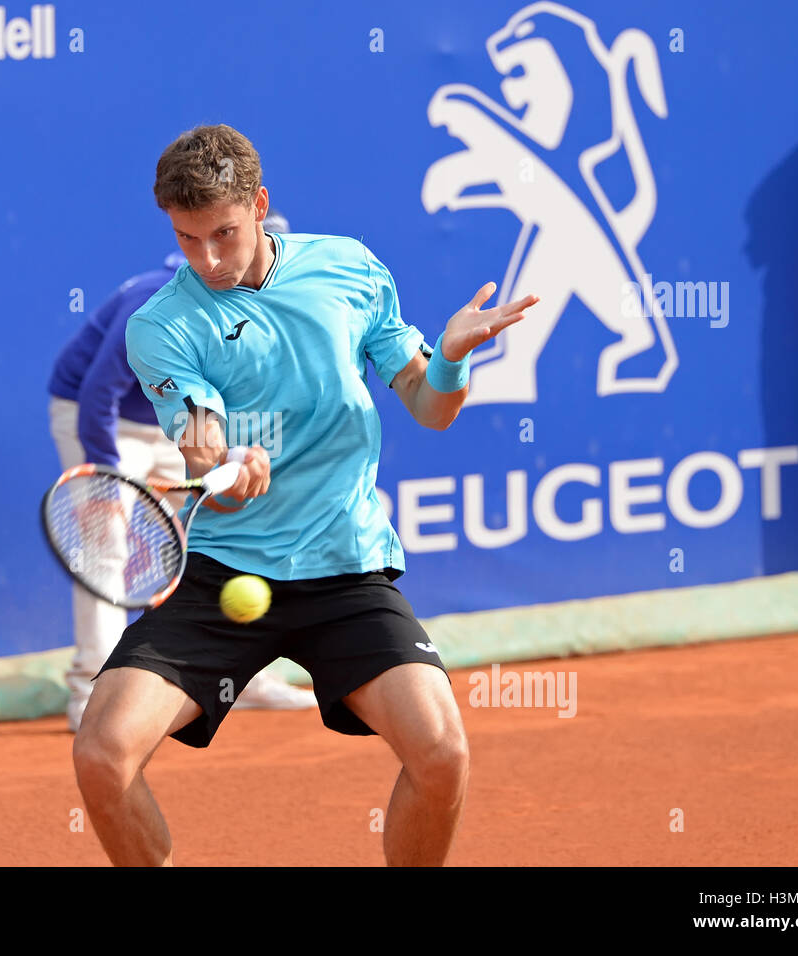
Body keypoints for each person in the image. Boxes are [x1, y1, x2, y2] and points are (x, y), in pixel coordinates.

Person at [72, 124, 538, 866]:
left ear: (260, 204)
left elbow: (430, 406)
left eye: (223, 233)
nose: (209, 259)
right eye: (188, 240)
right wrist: (221, 466)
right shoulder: (162, 324)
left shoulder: (349, 270)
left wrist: (448, 357)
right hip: (221, 577)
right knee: (101, 754)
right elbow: (200, 439)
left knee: (442, 751)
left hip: (346, 569)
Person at [47, 208, 315, 733]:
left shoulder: (271, 321)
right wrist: (104, 476)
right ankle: (92, 693)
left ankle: (243, 677)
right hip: (101, 420)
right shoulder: (154, 306)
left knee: (222, 535)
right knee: (105, 547)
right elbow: (98, 393)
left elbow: (242, 402)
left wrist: (238, 455)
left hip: (175, 425)